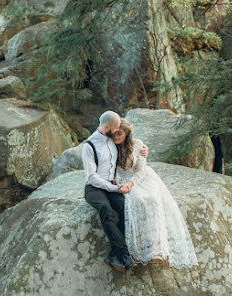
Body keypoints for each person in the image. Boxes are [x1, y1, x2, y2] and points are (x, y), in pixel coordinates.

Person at [112, 118, 198, 268]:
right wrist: (118, 183)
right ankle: (141, 248)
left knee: (151, 198)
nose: (116, 137)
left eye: (119, 134)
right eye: (114, 133)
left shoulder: (137, 145)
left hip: (141, 178)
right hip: (120, 180)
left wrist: (132, 183)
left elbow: (141, 169)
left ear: (126, 134)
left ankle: (155, 249)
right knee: (136, 200)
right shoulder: (108, 146)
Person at [82, 111, 148, 272]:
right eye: (116, 127)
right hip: (95, 188)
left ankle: (114, 254)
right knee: (106, 209)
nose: (118, 130)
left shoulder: (113, 140)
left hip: (113, 186)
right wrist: (114, 187)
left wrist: (144, 150)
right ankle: (124, 254)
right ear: (107, 127)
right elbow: (92, 176)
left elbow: (130, 145)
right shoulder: (88, 146)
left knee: (125, 207)